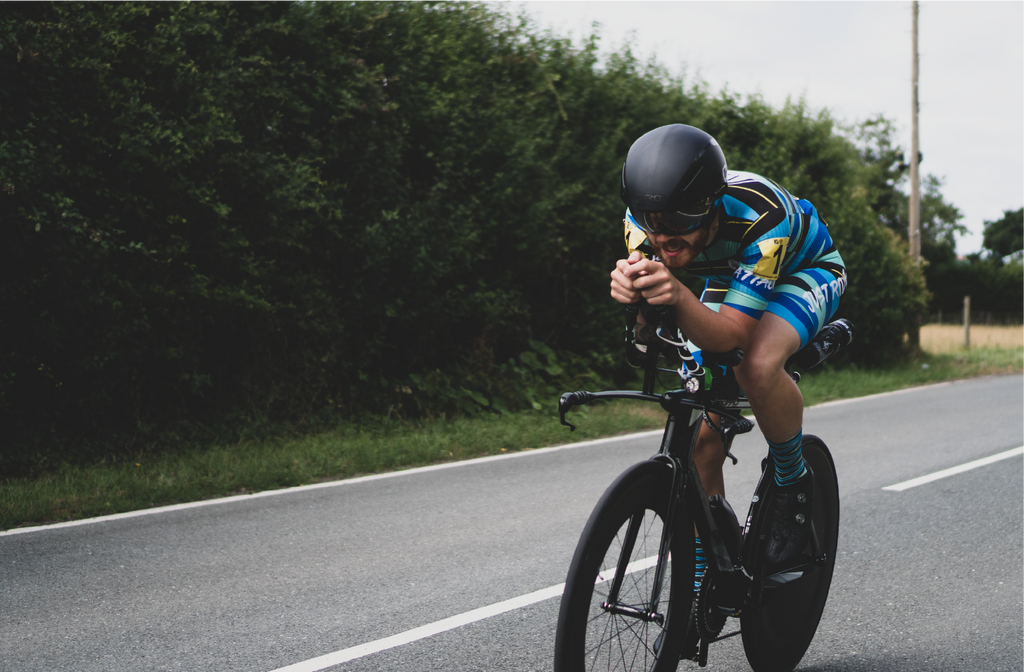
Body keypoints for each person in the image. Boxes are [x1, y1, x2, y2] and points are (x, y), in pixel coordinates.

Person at [609, 123, 847, 582]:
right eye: (654, 224)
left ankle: (792, 481)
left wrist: (677, 297)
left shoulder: (763, 215)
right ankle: (707, 572)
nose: (664, 237)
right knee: (701, 433)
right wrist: (634, 302)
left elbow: (733, 337)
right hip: (733, 272)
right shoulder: (643, 220)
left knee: (755, 366)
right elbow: (647, 337)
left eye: (680, 223)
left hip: (805, 268)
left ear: (710, 204)